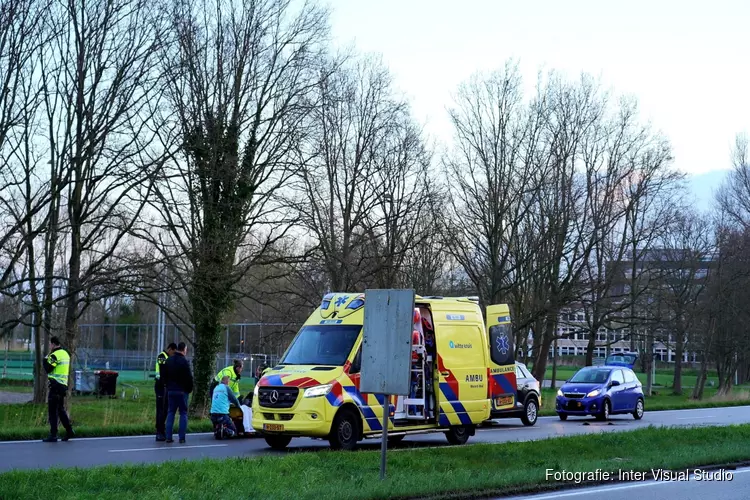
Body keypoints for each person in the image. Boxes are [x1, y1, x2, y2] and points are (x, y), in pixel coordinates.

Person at [42, 336, 75, 442]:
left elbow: (48, 368)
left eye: (50, 344)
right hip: (63, 386)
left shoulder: (55, 355)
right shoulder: (66, 354)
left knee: (52, 411)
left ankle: (53, 435)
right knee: (60, 410)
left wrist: (45, 359)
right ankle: (69, 431)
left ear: (52, 344)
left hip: (55, 385)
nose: (50, 346)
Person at [163, 342, 193, 443]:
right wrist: (189, 389)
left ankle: (168, 436)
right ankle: (181, 437)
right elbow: (189, 378)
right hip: (182, 391)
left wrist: (168, 386)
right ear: (184, 349)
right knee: (183, 413)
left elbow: (164, 375)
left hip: (171, 390)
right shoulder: (184, 361)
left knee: (171, 412)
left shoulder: (169, 360)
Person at [154, 342, 177, 442]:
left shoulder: (168, 357)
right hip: (160, 386)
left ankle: (163, 431)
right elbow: (163, 371)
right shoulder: (162, 356)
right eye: (173, 352)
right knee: (161, 410)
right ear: (170, 349)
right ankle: (159, 432)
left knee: (165, 410)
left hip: (166, 386)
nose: (173, 354)